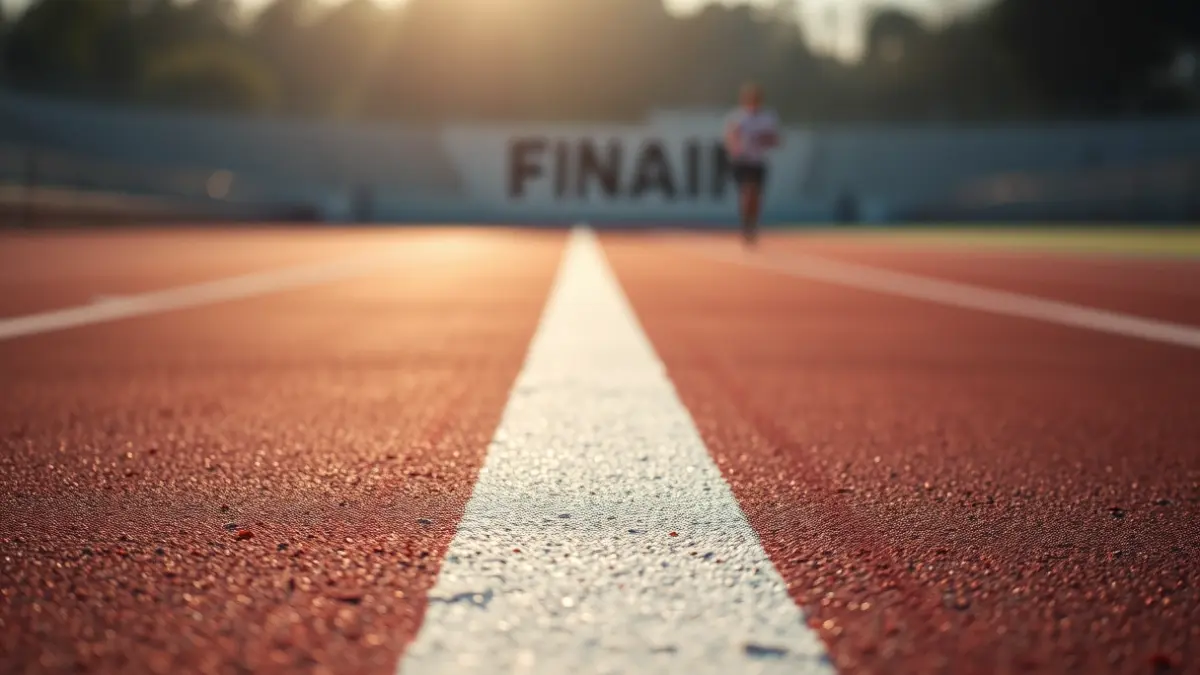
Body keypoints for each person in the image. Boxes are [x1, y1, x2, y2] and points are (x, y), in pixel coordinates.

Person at [723, 83, 782, 247]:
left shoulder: (768, 118)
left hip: (758, 161)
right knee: (747, 192)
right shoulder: (738, 117)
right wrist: (735, 148)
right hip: (743, 161)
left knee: (756, 196)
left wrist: (763, 139)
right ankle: (746, 225)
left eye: (756, 99)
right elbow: (731, 137)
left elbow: (775, 140)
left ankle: (752, 223)